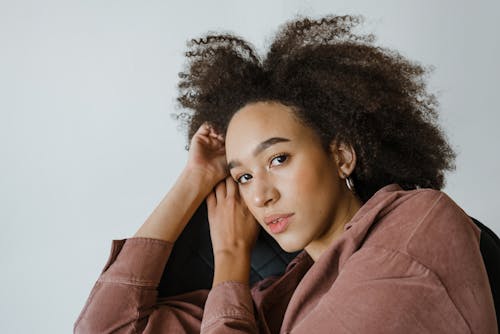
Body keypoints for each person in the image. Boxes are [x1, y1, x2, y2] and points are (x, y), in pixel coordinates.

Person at [74, 15, 497, 333]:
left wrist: (228, 265)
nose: (260, 196)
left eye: (278, 159)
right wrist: (195, 180)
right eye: (243, 177)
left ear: (342, 155)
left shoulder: (416, 227)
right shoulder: (277, 294)